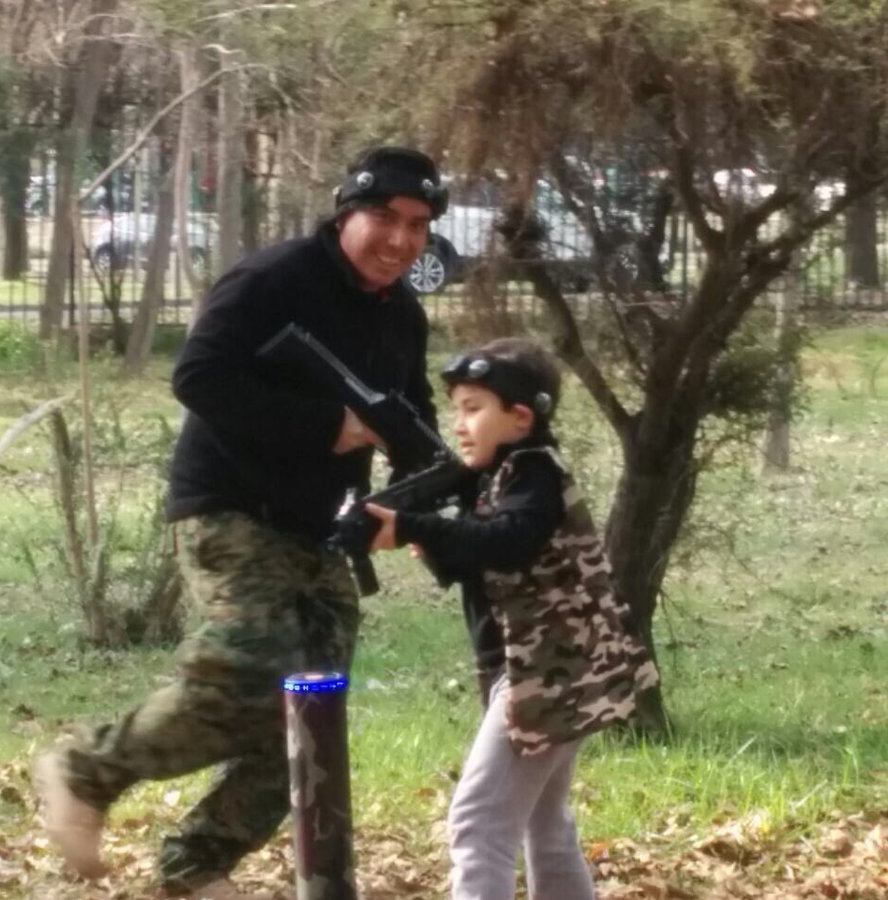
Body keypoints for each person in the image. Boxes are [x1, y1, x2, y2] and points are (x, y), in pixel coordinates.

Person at [34, 146, 450, 900]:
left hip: (322, 529)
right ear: (346, 211)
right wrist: (333, 426)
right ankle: (85, 772)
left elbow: (412, 416)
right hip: (229, 507)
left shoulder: (402, 316)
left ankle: (197, 865)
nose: (400, 240)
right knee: (243, 666)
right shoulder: (275, 279)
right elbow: (199, 375)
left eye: (418, 225)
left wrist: (415, 499)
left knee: (309, 714)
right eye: (384, 218)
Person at [362, 336, 659, 900]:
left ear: (520, 417)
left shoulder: (534, 473)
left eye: (474, 409)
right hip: (545, 671)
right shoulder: (500, 478)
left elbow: (510, 540)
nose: (460, 424)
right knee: (544, 825)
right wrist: (435, 542)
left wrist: (415, 528)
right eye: (457, 410)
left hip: (546, 675)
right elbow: (485, 561)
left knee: (477, 824)